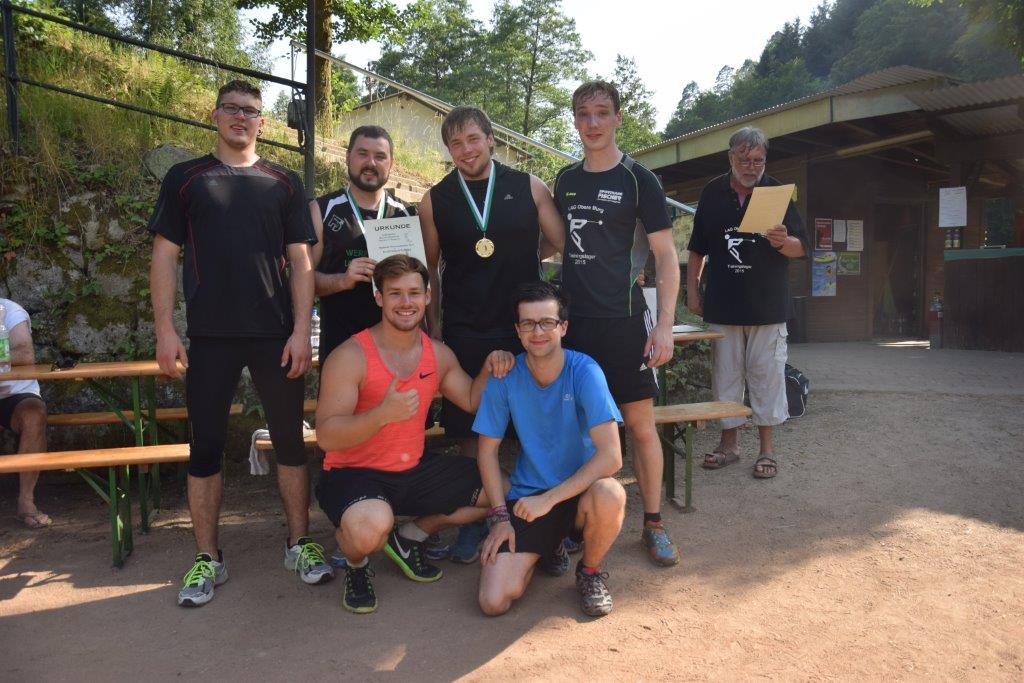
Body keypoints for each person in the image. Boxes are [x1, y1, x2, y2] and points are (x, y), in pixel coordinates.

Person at [149, 79, 331, 608]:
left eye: (250, 111)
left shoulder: (284, 181)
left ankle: (299, 543)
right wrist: (165, 329)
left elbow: (301, 262)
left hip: (276, 336)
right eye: (231, 108)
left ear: (262, 122)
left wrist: (302, 330)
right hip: (209, 337)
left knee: (292, 445)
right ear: (214, 115)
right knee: (204, 448)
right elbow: (164, 256)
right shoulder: (186, 179)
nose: (240, 117)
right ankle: (208, 556)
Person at [315, 254, 513, 614]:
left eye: (413, 293)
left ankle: (410, 536)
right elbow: (326, 436)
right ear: (379, 298)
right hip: (354, 473)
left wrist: (488, 367)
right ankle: (357, 567)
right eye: (395, 294)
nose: (405, 303)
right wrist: (380, 416)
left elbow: (471, 400)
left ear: (426, 298)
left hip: (413, 470)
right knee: (368, 529)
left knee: (502, 489)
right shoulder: (350, 355)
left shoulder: (437, 355)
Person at [418, 106, 565, 563]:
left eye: (473, 139)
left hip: (526, 325)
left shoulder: (528, 186)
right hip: (467, 326)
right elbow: (429, 271)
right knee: (469, 426)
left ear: (490, 138)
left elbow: (559, 240)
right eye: (456, 144)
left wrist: (525, 252)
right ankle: (475, 515)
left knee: (537, 421)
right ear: (448, 150)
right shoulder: (434, 200)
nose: (466, 150)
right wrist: (435, 326)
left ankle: (546, 521)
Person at [553, 80, 681, 567]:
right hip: (575, 326)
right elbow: (554, 244)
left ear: (617, 119)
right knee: (578, 431)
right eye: (583, 114)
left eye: (602, 113)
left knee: (640, 427)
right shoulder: (564, 179)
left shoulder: (638, 179)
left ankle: (653, 523)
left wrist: (664, 325)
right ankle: (572, 522)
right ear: (574, 119)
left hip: (626, 321)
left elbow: (667, 258)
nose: (592, 123)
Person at [474, 281, 626, 617]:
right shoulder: (505, 376)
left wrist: (550, 499)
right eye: (528, 323)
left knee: (611, 494)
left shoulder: (585, 370)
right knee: (493, 600)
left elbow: (612, 456)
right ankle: (549, 546)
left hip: (579, 492)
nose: (537, 332)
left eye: (547, 322)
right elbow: (486, 452)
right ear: (517, 330)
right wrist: (500, 517)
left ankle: (589, 572)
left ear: (564, 326)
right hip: (531, 496)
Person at [686, 126, 808, 479]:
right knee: (726, 377)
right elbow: (697, 249)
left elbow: (802, 249)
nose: (752, 166)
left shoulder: (777, 193)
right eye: (745, 159)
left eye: (758, 160)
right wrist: (692, 291)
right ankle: (730, 446)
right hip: (723, 304)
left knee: (766, 377)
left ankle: (766, 451)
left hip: (768, 306)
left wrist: (783, 241)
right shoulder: (711, 192)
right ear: (731, 157)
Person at [310, 125, 416, 361]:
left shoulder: (408, 214)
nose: (371, 163)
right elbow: (304, 280)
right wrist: (342, 280)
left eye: (380, 156)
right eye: (362, 154)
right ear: (348, 157)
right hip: (341, 346)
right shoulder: (322, 209)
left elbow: (423, 283)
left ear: (391, 163)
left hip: (397, 350)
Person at [0, 298, 50, 528]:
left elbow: (25, 354)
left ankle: (26, 502)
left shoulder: (10, 311)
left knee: (34, 413)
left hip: (13, 393)